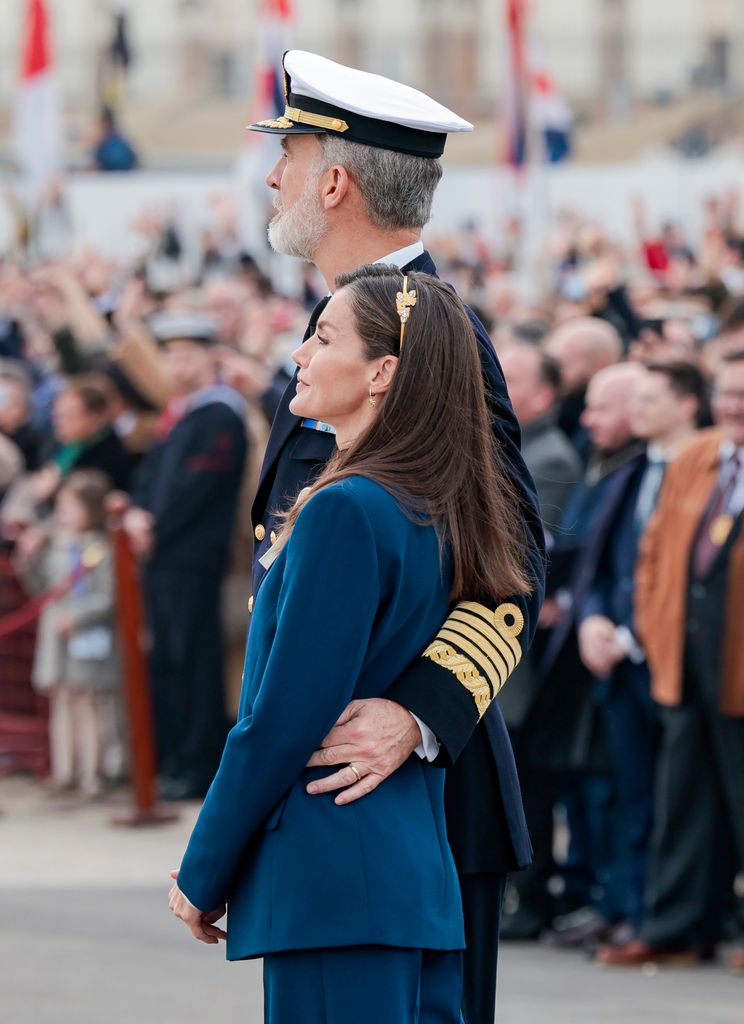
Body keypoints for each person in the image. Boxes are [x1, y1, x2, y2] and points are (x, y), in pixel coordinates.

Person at [239, 50, 545, 1024]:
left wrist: (417, 713)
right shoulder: (348, 331)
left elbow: (514, 564)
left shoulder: (432, 339)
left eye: (288, 154)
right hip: (341, 813)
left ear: (335, 181)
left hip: (421, 799)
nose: (272, 176)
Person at [169, 266, 533, 1023]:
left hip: (335, 873)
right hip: (408, 868)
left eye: (323, 336)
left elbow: (282, 719)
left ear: (382, 373)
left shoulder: (347, 507)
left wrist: (204, 869)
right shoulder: (431, 503)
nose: (299, 354)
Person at [598, 351, 744, 971]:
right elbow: (654, 552)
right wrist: (659, 637)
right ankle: (675, 927)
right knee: (683, 799)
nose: (734, 407)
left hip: (737, 662)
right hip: (684, 659)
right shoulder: (699, 460)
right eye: (729, 395)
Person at [575, 361, 706, 939]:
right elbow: (600, 565)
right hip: (617, 664)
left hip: (675, 660)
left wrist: (629, 633)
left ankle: (672, 918)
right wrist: (593, 620)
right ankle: (628, 910)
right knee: (629, 795)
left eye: (650, 399)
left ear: (687, 405)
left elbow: (684, 575)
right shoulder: (627, 475)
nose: (637, 411)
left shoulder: (703, 475)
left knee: (678, 800)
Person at [125, 311, 247, 801]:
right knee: (168, 662)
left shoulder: (220, 414)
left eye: (188, 353)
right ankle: (173, 760)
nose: (178, 363)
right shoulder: (180, 414)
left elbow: (201, 487)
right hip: (162, 558)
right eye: (171, 354)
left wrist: (154, 525)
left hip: (193, 559)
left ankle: (195, 767)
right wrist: (136, 515)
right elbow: (150, 480)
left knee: (193, 662)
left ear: (209, 356)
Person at [14, 470, 120, 797]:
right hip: (57, 641)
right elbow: (40, 587)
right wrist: (27, 556)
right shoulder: (57, 546)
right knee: (62, 704)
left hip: (88, 639)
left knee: (90, 704)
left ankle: (93, 771)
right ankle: (63, 771)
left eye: (72, 508)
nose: (64, 515)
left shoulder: (102, 549)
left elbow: (108, 596)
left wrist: (79, 618)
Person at [544, 317, 623, 463]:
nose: (554, 376)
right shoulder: (560, 407)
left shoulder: (606, 429)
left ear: (601, 365)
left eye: (562, 366)